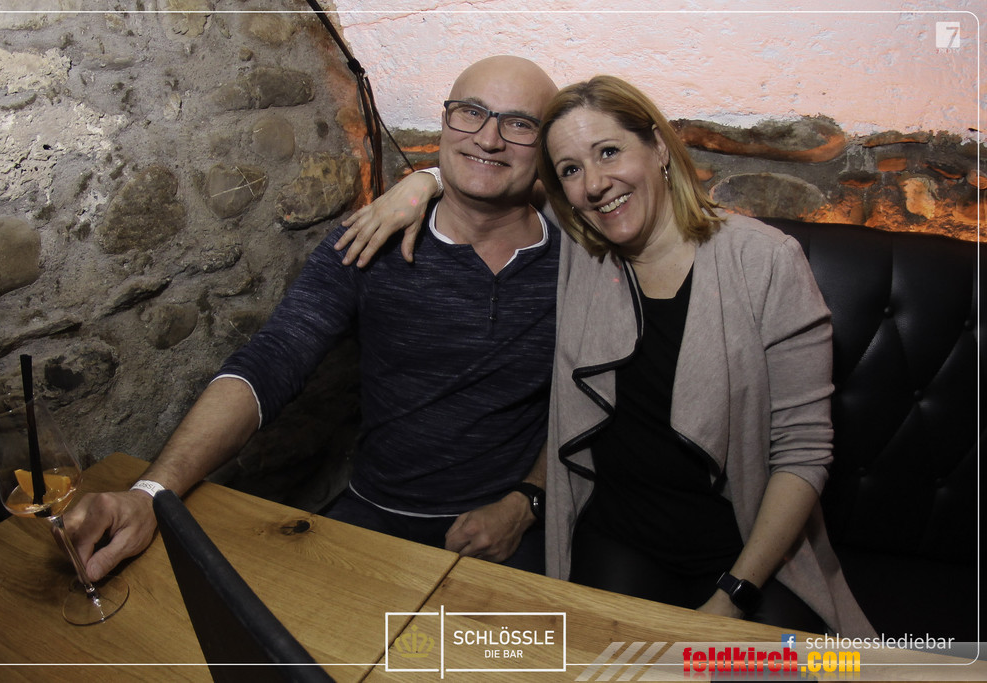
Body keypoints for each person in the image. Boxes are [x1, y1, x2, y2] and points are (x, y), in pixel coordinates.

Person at [337, 76, 875, 636]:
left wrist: (734, 595)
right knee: (598, 666)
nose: (594, 184)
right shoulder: (583, 249)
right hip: (620, 539)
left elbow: (803, 453)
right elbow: (494, 180)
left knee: (770, 671)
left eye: (610, 152)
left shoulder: (765, 261)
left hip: (750, 554)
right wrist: (420, 182)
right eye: (571, 169)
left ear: (658, 147)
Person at [65, 55, 561, 580]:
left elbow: (592, 403)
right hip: (375, 515)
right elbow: (274, 358)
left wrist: (526, 502)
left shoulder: (576, 260)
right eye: (471, 112)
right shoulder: (368, 239)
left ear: (546, 146)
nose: (488, 138)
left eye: (519, 123)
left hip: (509, 526)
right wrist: (151, 494)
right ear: (445, 121)